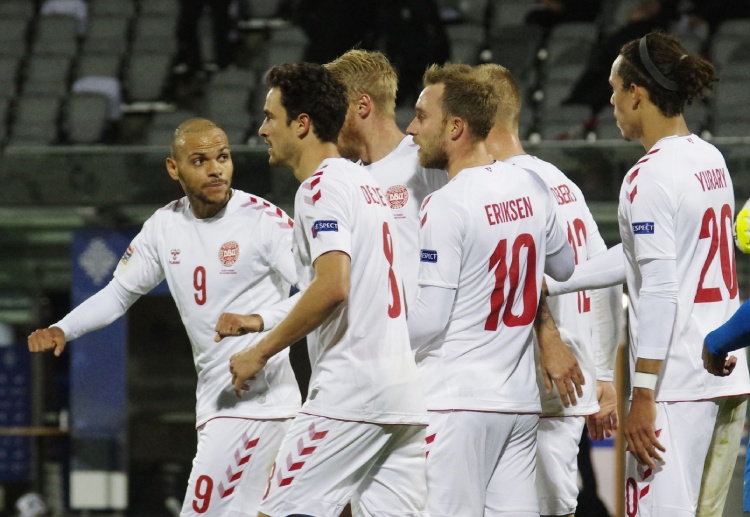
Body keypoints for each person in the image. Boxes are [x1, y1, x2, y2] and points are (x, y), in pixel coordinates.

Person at [27, 118, 301, 516]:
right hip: (216, 405)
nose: (215, 169)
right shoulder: (164, 226)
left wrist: (257, 319)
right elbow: (120, 292)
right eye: (200, 160)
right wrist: (62, 329)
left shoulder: (264, 221)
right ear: (174, 168)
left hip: (259, 405)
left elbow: (317, 292)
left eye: (222, 157)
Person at [550, 31, 750, 516]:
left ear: (637, 93)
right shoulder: (709, 159)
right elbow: (650, 257)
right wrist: (557, 281)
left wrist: (642, 395)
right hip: (723, 382)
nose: (612, 101)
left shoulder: (649, 175)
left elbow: (660, 287)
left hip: (673, 388)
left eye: (616, 89)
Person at [228, 62, 428, 517]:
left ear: (302, 124)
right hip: (402, 391)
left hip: (351, 390)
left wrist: (261, 350)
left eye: (270, 118)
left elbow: (334, 286)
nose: (261, 130)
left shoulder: (319, 188)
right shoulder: (365, 183)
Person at [404, 62, 575, 516]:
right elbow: (565, 263)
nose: (411, 128)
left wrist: (367, 334)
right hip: (517, 406)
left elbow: (428, 321)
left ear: (456, 127)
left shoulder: (446, 204)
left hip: (457, 402)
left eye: (423, 117)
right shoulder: (531, 184)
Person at [475, 62, 621, 517]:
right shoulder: (564, 184)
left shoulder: (501, 189)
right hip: (565, 387)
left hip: (533, 384)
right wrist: (604, 375)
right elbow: (604, 283)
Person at [324, 49, 448, 308]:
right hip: (376, 344)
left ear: (362, 106)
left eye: (333, 110)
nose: (326, 123)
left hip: (428, 344)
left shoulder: (425, 164)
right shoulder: (345, 179)